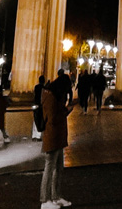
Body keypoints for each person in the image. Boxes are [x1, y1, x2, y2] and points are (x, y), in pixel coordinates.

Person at [40, 73, 74, 209]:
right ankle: (45, 200)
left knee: (59, 168)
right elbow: (52, 119)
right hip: (52, 137)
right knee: (49, 168)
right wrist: (64, 112)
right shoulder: (50, 98)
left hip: (58, 137)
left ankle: (56, 196)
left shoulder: (54, 97)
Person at [32, 74, 46, 141]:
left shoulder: (36, 87)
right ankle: (38, 136)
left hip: (35, 105)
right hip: (40, 105)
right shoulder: (44, 88)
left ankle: (34, 135)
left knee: (35, 120)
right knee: (40, 120)